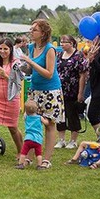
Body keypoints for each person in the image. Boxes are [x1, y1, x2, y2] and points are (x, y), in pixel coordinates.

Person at [20, 19, 64, 169]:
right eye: (31, 29)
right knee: (33, 121)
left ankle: (46, 159)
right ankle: (30, 157)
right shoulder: (32, 47)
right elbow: (30, 70)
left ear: (43, 33)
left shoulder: (50, 49)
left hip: (50, 91)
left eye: (34, 30)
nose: (31, 32)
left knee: (49, 125)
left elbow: (49, 74)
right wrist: (20, 67)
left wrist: (31, 63)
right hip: (35, 90)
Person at [55, 35, 88, 149]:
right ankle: (61, 139)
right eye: (61, 42)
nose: (62, 44)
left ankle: (73, 140)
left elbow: (82, 75)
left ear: (72, 43)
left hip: (73, 91)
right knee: (60, 115)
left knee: (72, 114)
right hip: (59, 90)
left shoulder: (78, 56)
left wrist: (80, 92)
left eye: (65, 42)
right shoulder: (59, 55)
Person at [65, 102, 100, 169]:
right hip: (99, 143)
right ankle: (75, 159)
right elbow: (98, 133)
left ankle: (97, 164)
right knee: (83, 143)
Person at [15, 100, 49, 170]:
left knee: (23, 152)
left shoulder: (26, 117)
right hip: (37, 139)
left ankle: (21, 164)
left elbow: (25, 115)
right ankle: (39, 165)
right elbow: (46, 123)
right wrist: (47, 120)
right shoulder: (39, 118)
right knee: (38, 154)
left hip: (28, 139)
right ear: (37, 109)